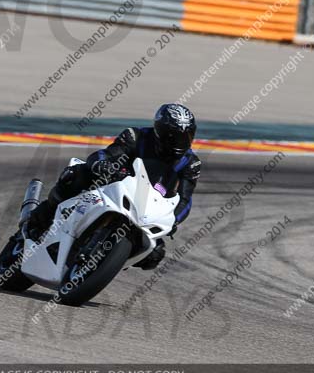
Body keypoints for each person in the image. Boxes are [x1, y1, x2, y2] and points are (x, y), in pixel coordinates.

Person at [28, 103, 202, 270]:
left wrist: (174, 219)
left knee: (154, 254)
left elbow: (185, 199)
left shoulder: (191, 163)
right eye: (173, 136)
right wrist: (102, 164)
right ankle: (39, 218)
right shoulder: (136, 136)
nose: (180, 141)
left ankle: (106, 260)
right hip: (113, 183)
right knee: (75, 176)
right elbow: (106, 154)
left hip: (146, 205)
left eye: (187, 136)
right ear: (159, 131)